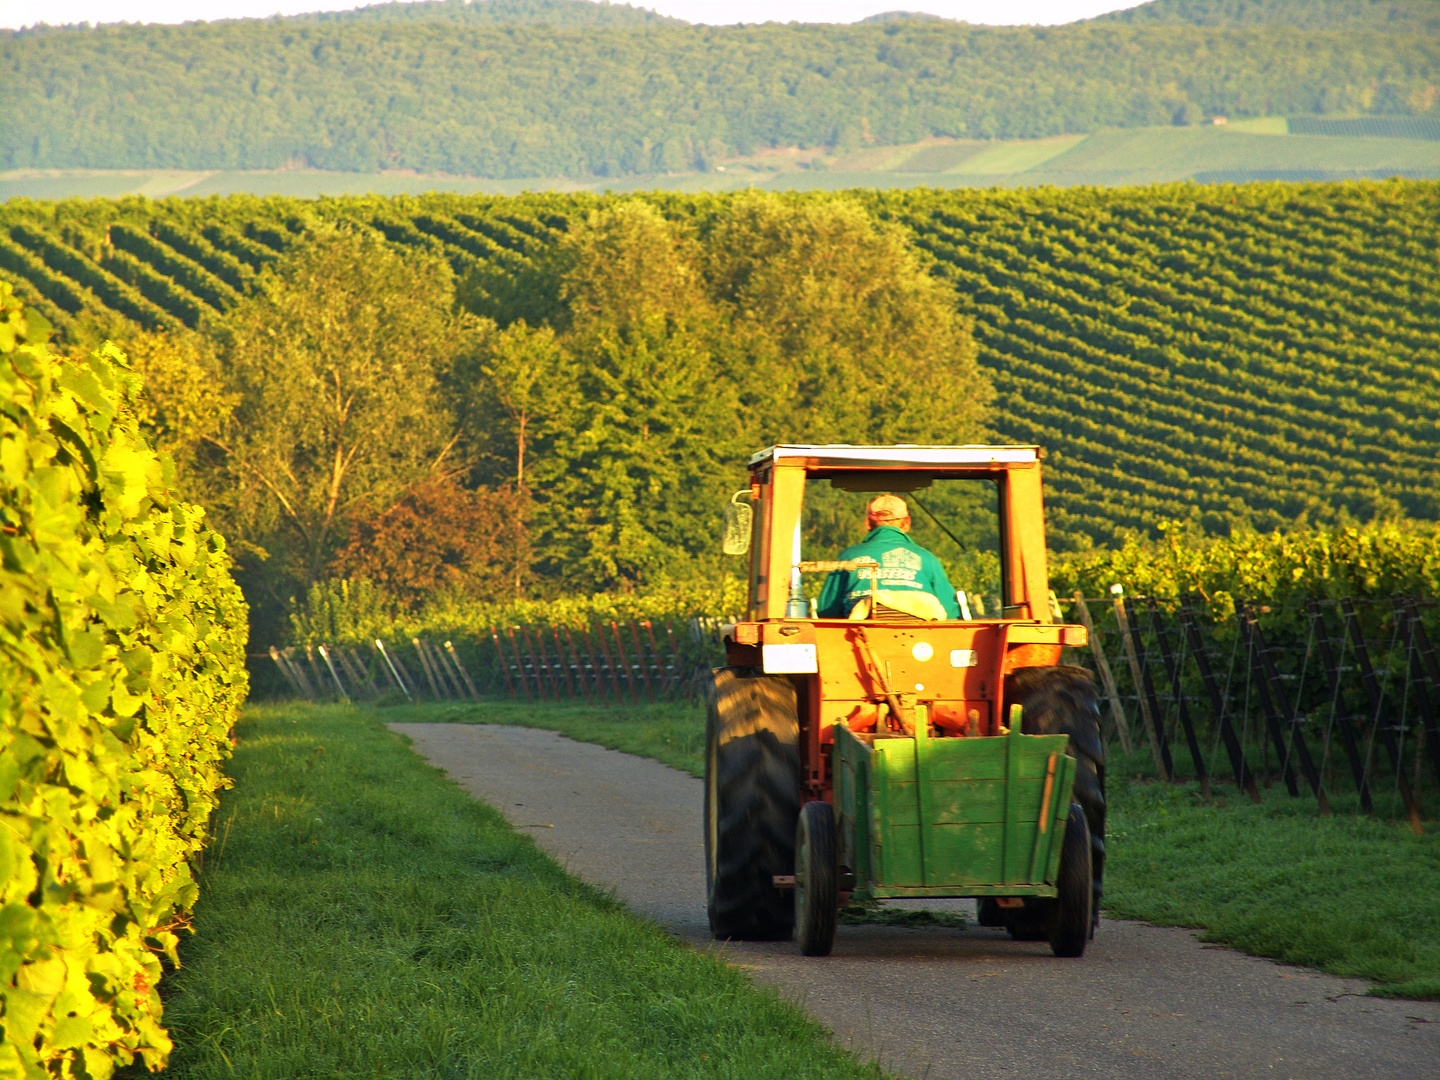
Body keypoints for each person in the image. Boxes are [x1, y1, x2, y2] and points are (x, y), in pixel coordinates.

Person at [816, 494, 961, 620]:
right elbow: (949, 610)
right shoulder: (927, 558)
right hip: (920, 643)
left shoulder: (849, 556)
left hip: (859, 637)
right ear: (907, 522)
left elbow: (827, 610)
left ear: (868, 523)